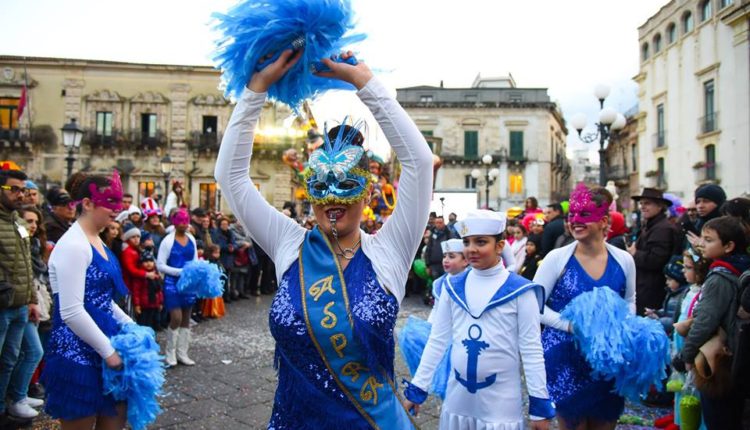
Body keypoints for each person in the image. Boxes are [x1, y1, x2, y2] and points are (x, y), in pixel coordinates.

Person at [215, 50, 432, 428]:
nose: (332, 199)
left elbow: (419, 162)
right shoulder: (288, 243)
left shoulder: (390, 251)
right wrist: (257, 88)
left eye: (346, 186)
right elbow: (231, 178)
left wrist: (364, 82)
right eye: (321, 187)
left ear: (367, 194)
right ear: (308, 192)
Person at [402, 210, 554, 429]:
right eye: (467, 242)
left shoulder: (521, 291)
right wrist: (418, 388)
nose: (472, 249)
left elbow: (531, 349)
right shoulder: (452, 287)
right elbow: (438, 340)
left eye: (481, 242)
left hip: (500, 405)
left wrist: (540, 405)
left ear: (499, 246)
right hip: (458, 402)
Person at [533, 184, 636, 430]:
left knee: (605, 424)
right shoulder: (556, 259)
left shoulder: (623, 260)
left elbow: (630, 300)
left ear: (604, 221)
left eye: (585, 215)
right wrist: (570, 326)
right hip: (565, 358)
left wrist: (625, 327)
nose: (575, 222)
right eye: (572, 216)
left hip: (606, 361)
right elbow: (533, 305)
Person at [42, 171, 132, 429]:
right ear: (88, 203)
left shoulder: (98, 240)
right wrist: (108, 352)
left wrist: (130, 325)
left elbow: (102, 298)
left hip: (106, 338)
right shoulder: (73, 245)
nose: (117, 209)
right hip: (76, 351)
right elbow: (71, 311)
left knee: (114, 420)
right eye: (110, 202)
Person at [674, 216, 750, 429]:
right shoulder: (740, 268)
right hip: (738, 357)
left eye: (708, 240)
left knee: (719, 417)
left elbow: (705, 320)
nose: (701, 244)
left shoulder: (720, 277)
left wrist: (686, 355)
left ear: (728, 246)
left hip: (720, 362)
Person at [0, 170, 40, 428]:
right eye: (14, 189)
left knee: (10, 359)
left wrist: (32, 299)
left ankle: (5, 406)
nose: (20, 195)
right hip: (3, 304)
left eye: (23, 190)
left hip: (20, 305)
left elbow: (28, 264)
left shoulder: (18, 222)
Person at [628, 188, 683, 315]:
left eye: (647, 203)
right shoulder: (651, 225)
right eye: (641, 203)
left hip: (653, 289)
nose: (642, 207)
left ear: (659, 206)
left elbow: (656, 260)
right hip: (645, 286)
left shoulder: (662, 229)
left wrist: (635, 253)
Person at [671, 249, 709, 430]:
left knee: (693, 391)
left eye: (688, 268)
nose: (684, 272)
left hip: (692, 349)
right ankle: (681, 421)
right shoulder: (689, 290)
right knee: (683, 387)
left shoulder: (702, 293)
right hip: (681, 346)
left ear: (700, 270)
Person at [157, 208, 199, 367]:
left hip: (188, 283)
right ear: (174, 223)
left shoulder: (191, 239)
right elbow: (160, 265)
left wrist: (196, 272)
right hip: (172, 283)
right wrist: (180, 272)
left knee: (187, 318)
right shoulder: (167, 240)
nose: (184, 224)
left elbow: (194, 259)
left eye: (186, 221)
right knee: (176, 317)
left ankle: (183, 353)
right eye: (181, 221)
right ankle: (170, 353)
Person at [427, 238, 469, 323]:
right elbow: (436, 309)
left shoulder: (471, 281)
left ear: (465, 261)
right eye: (444, 256)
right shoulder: (439, 283)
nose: (445, 260)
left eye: (451, 256)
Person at [645, 255, 689, 335]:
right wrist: (656, 312)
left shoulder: (683, 296)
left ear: (679, 279)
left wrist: (658, 320)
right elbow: (666, 310)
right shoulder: (672, 293)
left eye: (670, 279)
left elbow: (675, 320)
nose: (666, 282)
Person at [685, 184, 726, 249]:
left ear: (718, 202)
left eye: (706, 201)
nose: (700, 206)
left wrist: (701, 247)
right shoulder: (698, 224)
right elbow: (689, 254)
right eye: (698, 202)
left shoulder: (726, 226)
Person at [131, 249, 163, 331]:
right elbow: (136, 291)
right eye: (145, 261)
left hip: (154, 304)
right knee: (143, 323)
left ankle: (151, 337)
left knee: (152, 323)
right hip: (144, 305)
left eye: (150, 261)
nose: (148, 263)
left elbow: (159, 290)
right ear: (141, 263)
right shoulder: (140, 276)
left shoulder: (156, 274)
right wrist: (137, 305)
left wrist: (160, 302)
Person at [211, 218, 238, 302]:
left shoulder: (231, 233)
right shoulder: (216, 233)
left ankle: (227, 295)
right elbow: (217, 244)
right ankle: (222, 296)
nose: (225, 226)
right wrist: (227, 247)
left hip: (230, 258)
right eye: (223, 224)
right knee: (222, 278)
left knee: (228, 278)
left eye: (226, 224)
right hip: (222, 258)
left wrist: (233, 247)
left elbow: (235, 243)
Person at [424, 215, 456, 280]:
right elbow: (428, 250)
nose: (438, 224)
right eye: (437, 223)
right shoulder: (432, 234)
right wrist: (427, 265)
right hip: (434, 265)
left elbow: (453, 250)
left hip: (446, 264)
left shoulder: (449, 234)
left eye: (440, 223)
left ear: (444, 223)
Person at [202, 244, 227, 319]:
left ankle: (216, 310)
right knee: (210, 298)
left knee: (217, 297)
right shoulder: (209, 262)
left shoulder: (218, 261)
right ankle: (210, 311)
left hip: (218, 283)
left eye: (218, 253)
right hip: (211, 284)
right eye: (215, 253)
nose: (218, 255)